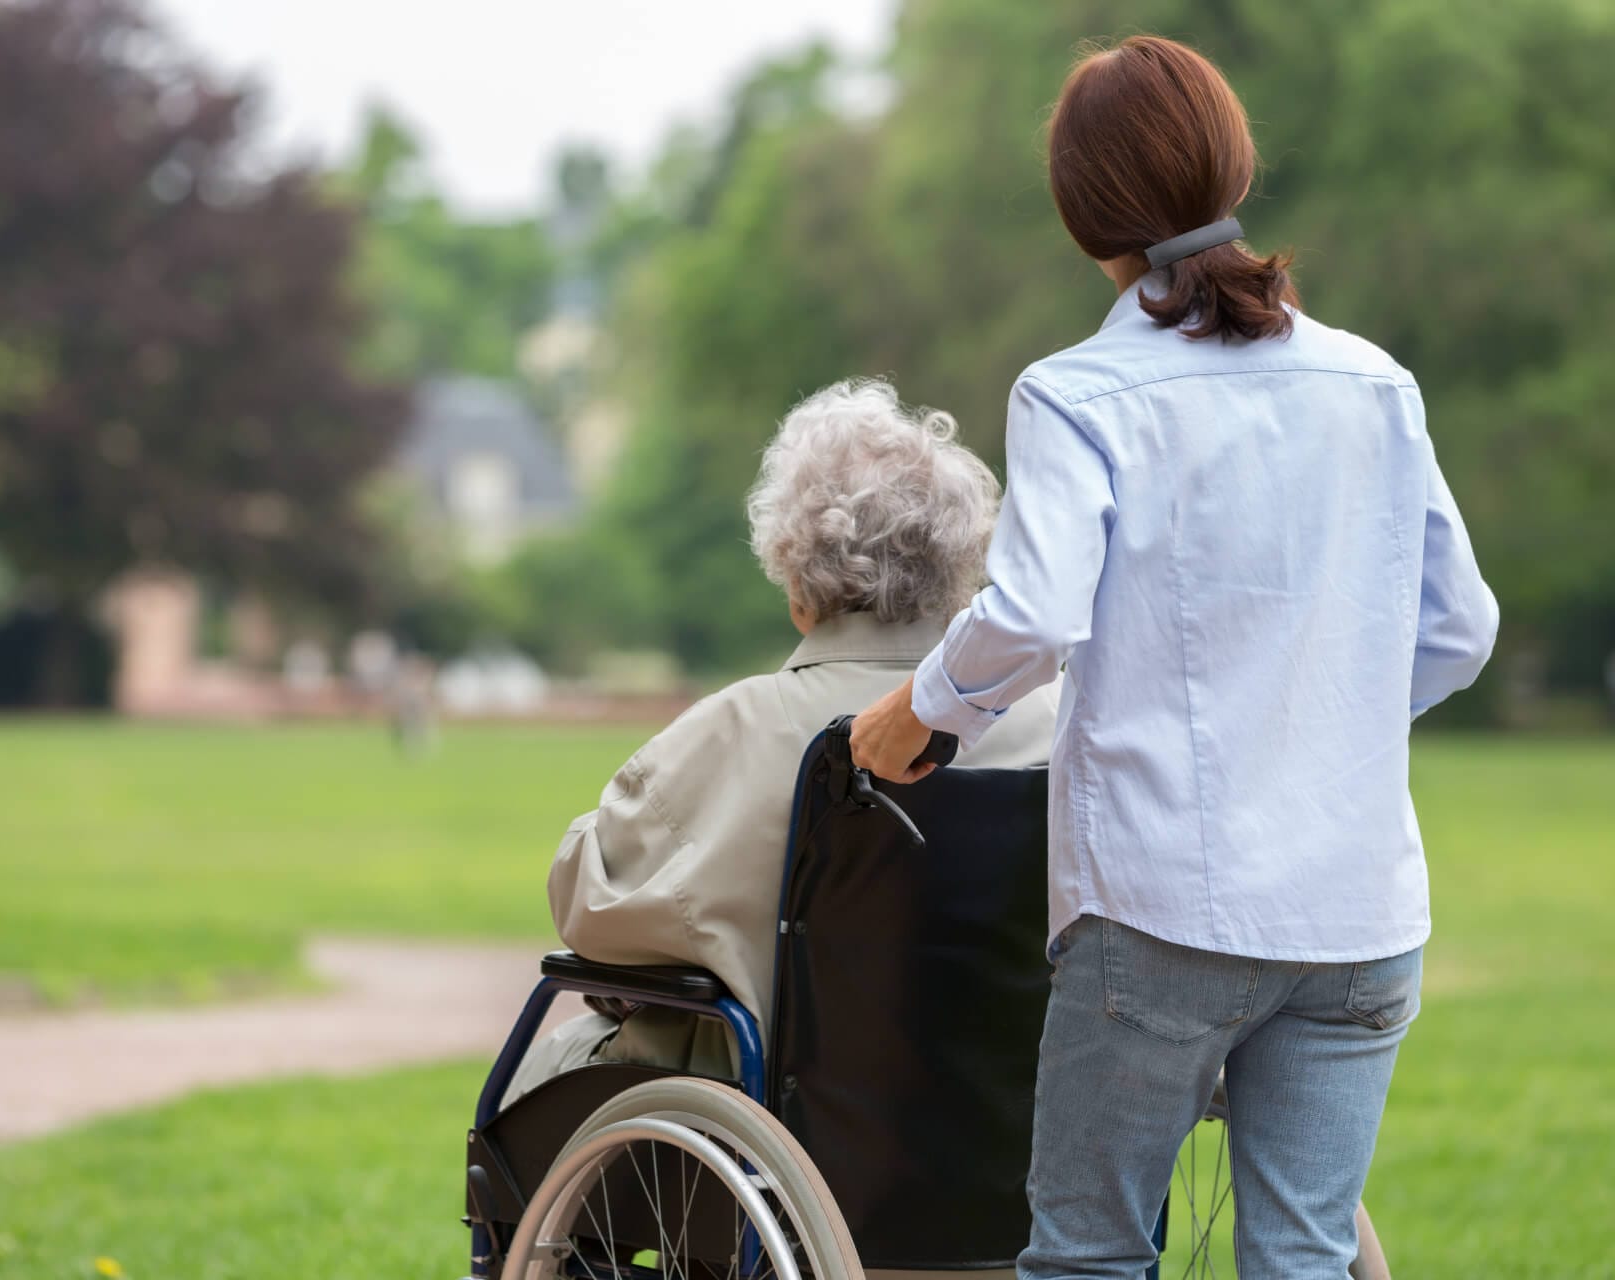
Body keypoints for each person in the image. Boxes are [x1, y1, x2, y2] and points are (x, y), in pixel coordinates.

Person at [850, 36, 1498, 1279]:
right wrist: (1323, 718)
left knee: (1090, 1256)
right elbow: (1460, 627)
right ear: (1234, 167)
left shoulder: (1076, 395)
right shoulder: (1376, 385)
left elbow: (1034, 615)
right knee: (1303, 1255)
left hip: (1163, 907)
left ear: (1078, 211)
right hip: (1359, 911)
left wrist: (919, 712)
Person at [504, 379, 1060, 1104]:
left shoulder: (734, 731)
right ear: (961, 569)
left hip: (774, 1132)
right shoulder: (1054, 723)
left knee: (549, 1071)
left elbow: (589, 909)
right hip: (1007, 1123)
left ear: (798, 581)